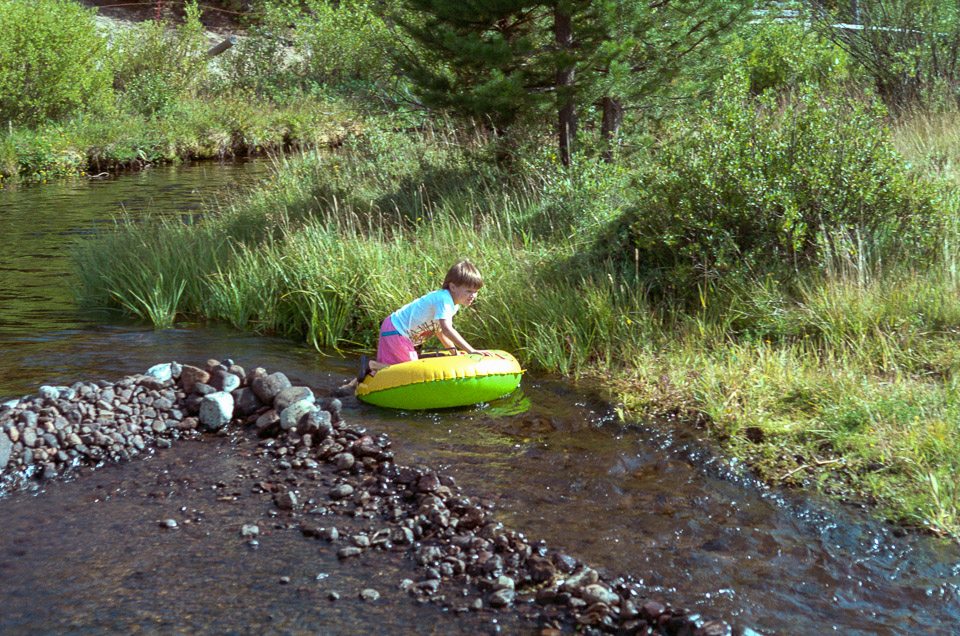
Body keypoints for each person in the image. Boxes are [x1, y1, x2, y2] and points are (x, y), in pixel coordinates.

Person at [341, 260, 494, 392]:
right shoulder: (444, 299)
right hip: (396, 331)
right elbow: (448, 329)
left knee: (393, 368)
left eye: (475, 292)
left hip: (396, 331)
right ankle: (371, 364)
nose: (473, 295)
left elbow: (441, 332)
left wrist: (453, 353)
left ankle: (350, 386)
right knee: (410, 371)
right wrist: (471, 350)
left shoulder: (452, 305)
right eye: (469, 291)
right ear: (453, 287)